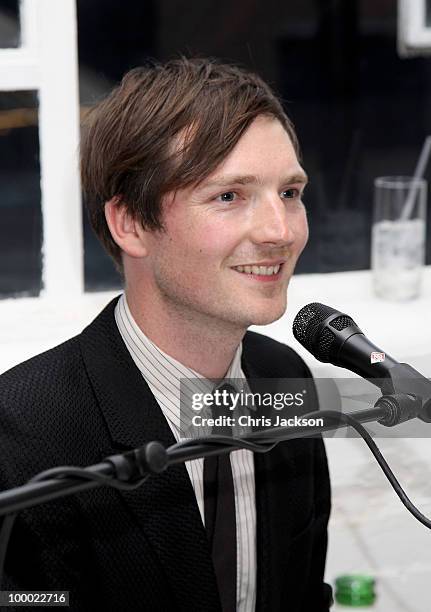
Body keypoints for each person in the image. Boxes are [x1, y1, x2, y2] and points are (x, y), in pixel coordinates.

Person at [0, 57, 332, 611]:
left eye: (290, 193)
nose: (281, 232)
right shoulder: (22, 432)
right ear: (130, 223)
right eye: (229, 196)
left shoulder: (286, 378)